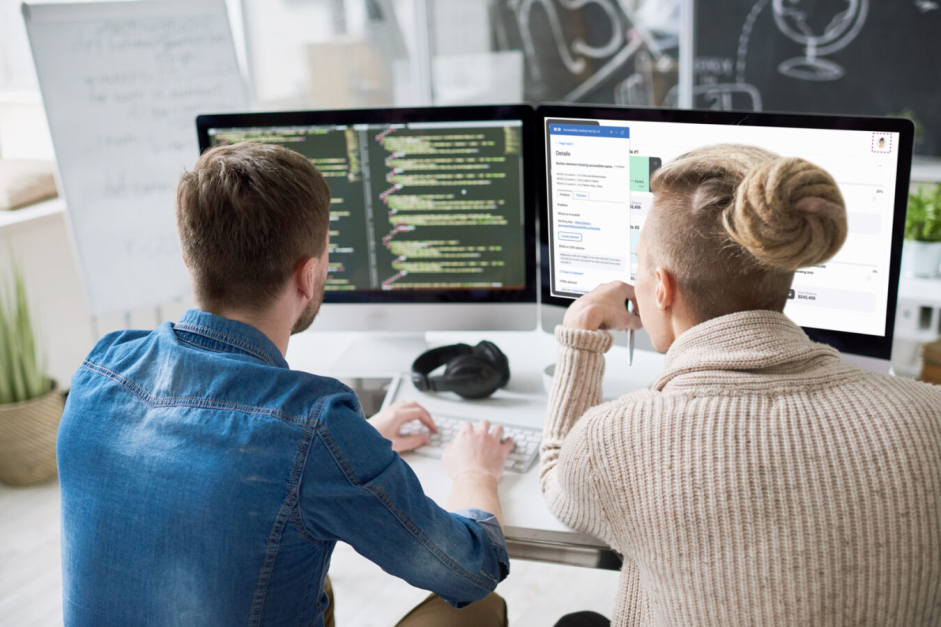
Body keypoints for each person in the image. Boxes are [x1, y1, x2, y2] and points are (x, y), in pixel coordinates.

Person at [57, 142, 514, 626]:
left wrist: (358, 446)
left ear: (191, 260)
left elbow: (219, 466)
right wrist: (475, 474)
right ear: (310, 275)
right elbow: (470, 570)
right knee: (481, 611)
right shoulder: (314, 424)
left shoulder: (100, 367)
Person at [543, 144, 941, 626]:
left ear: (663, 288)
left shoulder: (614, 439)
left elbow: (558, 485)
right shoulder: (930, 414)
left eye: (639, 267)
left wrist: (581, 334)